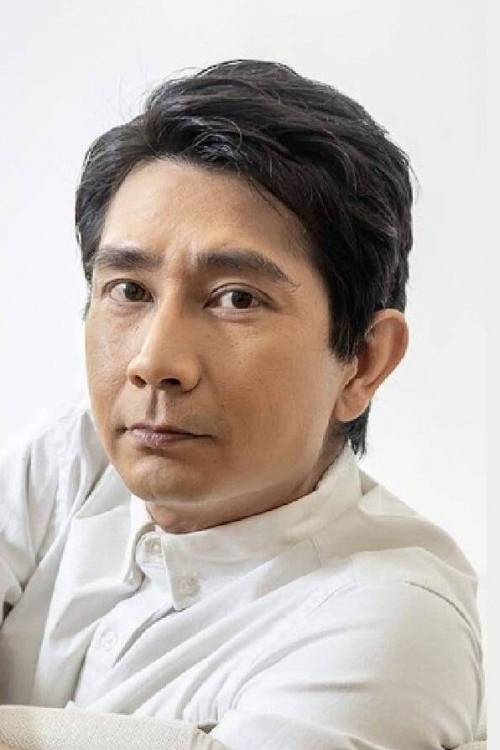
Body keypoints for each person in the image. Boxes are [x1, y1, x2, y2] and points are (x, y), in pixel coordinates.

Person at [0, 59, 484, 750]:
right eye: (130, 290)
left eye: (236, 298)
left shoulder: (396, 619)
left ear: (363, 361)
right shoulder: (74, 461)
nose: (154, 363)